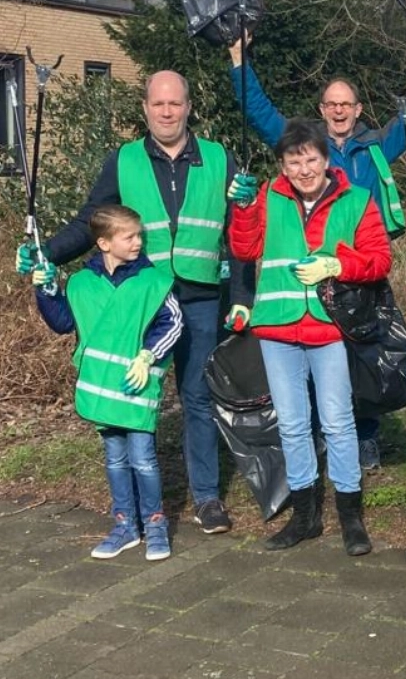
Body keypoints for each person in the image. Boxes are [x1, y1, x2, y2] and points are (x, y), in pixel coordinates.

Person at [17, 71, 243, 536]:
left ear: (188, 106)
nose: (167, 112)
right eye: (158, 104)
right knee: (135, 394)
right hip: (144, 300)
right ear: (145, 108)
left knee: (198, 399)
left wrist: (242, 296)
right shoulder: (123, 161)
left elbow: (244, 233)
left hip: (202, 298)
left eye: (175, 104)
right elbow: (90, 223)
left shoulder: (221, 158)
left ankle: (206, 498)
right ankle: (140, 500)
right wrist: (48, 254)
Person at [229, 29, 406, 471]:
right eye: (331, 104)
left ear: (358, 110)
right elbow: (259, 112)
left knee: (364, 358)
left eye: (347, 104)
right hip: (310, 277)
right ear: (322, 110)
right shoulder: (306, 148)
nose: (339, 110)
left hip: (360, 270)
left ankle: (364, 437)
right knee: (314, 361)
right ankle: (318, 438)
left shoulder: (376, 147)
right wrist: (238, 61)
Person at [227, 119, 392, 556]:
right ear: (281, 166)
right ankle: (305, 516)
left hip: (330, 326)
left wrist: (337, 266)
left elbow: (379, 260)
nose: (303, 170)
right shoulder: (266, 196)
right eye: (293, 162)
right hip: (278, 326)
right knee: (294, 425)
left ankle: (351, 517)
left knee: (338, 422)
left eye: (311, 159)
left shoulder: (357, 200)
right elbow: (245, 250)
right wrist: (242, 210)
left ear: (326, 159)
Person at [31, 205, 184, 561]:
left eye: (139, 235)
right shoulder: (82, 284)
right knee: (115, 459)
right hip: (100, 386)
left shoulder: (154, 281)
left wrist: (148, 356)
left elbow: (172, 323)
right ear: (103, 242)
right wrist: (47, 291)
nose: (138, 242)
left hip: (137, 386)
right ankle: (125, 525)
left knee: (144, 459)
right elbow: (63, 322)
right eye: (129, 236)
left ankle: (155, 523)